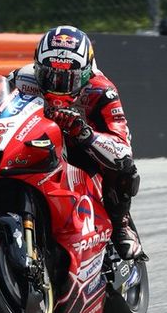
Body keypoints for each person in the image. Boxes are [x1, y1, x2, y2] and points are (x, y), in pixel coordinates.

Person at [8, 26, 143, 260]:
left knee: (125, 170)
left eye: (68, 78)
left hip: (85, 147)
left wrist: (84, 132)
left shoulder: (102, 91)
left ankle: (121, 225)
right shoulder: (20, 79)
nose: (57, 85)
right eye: (49, 75)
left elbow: (123, 149)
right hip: (37, 142)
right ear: (37, 67)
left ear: (85, 72)